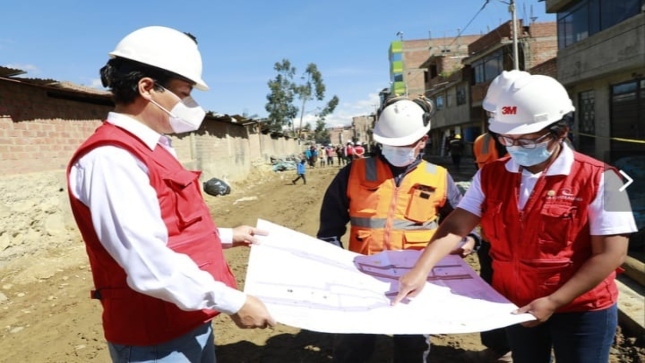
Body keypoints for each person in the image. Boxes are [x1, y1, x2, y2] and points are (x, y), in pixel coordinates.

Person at [66, 26, 275, 363]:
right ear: (147, 88)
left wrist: (225, 236)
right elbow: (148, 262)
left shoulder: (156, 147)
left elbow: (170, 228)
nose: (191, 105)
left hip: (186, 320)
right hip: (154, 340)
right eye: (184, 92)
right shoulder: (112, 159)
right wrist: (233, 301)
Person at [394, 73, 637, 363]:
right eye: (507, 138)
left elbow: (612, 254)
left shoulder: (604, 178)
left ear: (561, 132)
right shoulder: (491, 174)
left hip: (581, 310)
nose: (514, 146)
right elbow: (456, 225)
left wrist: (553, 301)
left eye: (527, 139)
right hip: (514, 304)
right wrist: (422, 268)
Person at [317, 95, 480, 363]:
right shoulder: (353, 172)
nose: (396, 150)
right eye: (389, 144)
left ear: (423, 141)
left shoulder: (438, 177)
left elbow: (464, 221)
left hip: (416, 279)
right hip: (363, 278)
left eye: (405, 144)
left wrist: (471, 240)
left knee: (413, 347)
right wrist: (340, 270)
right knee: (353, 345)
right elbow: (328, 233)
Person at [464, 70, 529, 363]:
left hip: (530, 239)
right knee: (490, 290)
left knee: (526, 295)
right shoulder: (482, 143)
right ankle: (497, 346)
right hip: (493, 238)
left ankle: (525, 348)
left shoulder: (541, 139)